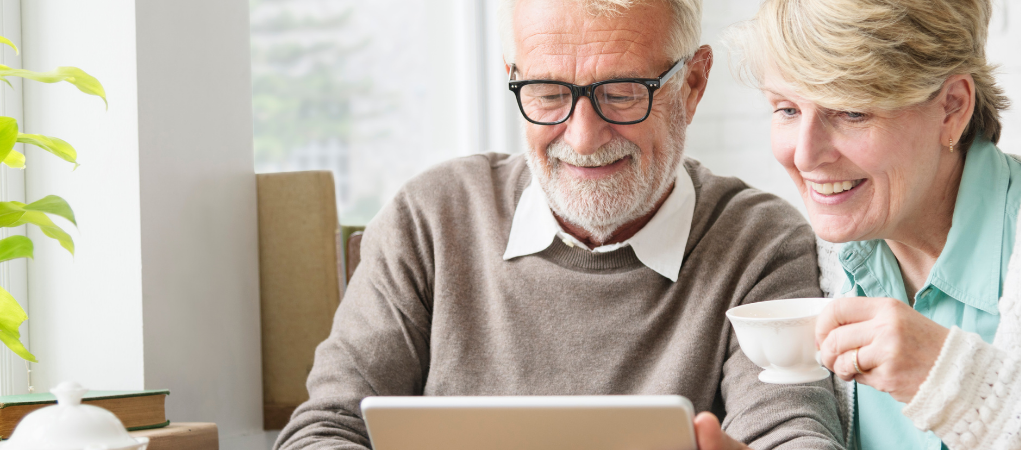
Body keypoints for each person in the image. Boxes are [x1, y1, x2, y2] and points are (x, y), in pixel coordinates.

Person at [274, 0, 847, 449]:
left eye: (622, 94)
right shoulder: (428, 220)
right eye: (548, 93)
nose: (581, 137)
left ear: (692, 85)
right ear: (513, 76)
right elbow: (325, 429)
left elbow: (789, 433)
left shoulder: (760, 243)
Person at [727, 0, 1021, 448]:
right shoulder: (819, 258)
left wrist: (955, 382)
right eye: (787, 109)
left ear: (952, 107)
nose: (805, 155)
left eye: (852, 111)